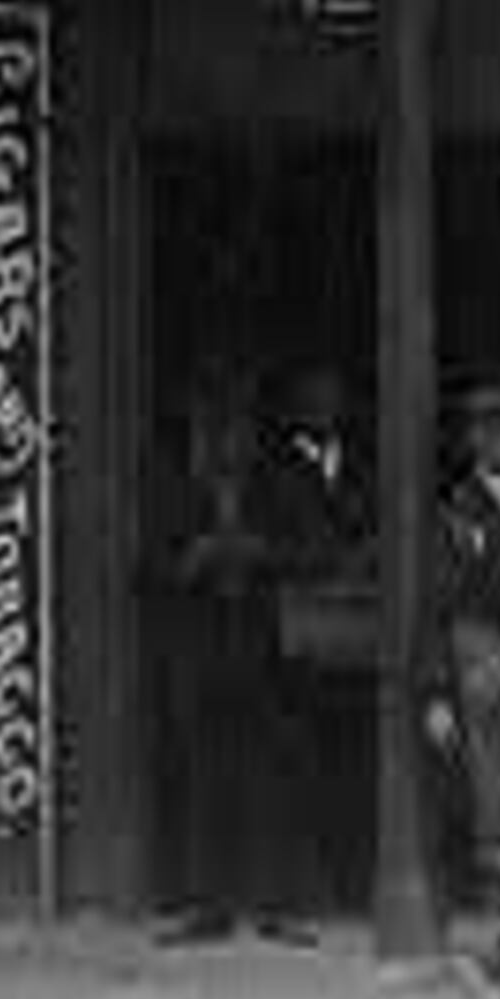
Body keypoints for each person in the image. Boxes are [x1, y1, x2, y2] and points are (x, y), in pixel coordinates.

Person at [147, 361, 288, 939]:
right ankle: (207, 905)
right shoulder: (173, 490)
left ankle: (267, 903)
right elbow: (148, 565)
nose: (228, 442)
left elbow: (306, 549)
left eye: (238, 429)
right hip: (198, 650)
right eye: (216, 428)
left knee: (262, 778)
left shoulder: (269, 489)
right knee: (202, 779)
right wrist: (194, 559)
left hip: (256, 648)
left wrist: (260, 552)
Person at [422, 375, 500, 986]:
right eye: (485, 430)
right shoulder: (457, 510)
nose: (497, 440)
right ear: (471, 440)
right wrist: (437, 691)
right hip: (483, 650)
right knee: (494, 798)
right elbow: (441, 603)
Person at [254, 358, 375, 927]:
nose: (325, 406)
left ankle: (354, 883)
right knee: (303, 763)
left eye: (333, 395)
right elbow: (271, 540)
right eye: (314, 396)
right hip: (300, 632)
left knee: (358, 760)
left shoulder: (366, 464)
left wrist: (362, 561)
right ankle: (307, 887)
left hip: (359, 631)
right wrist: (319, 563)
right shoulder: (273, 472)